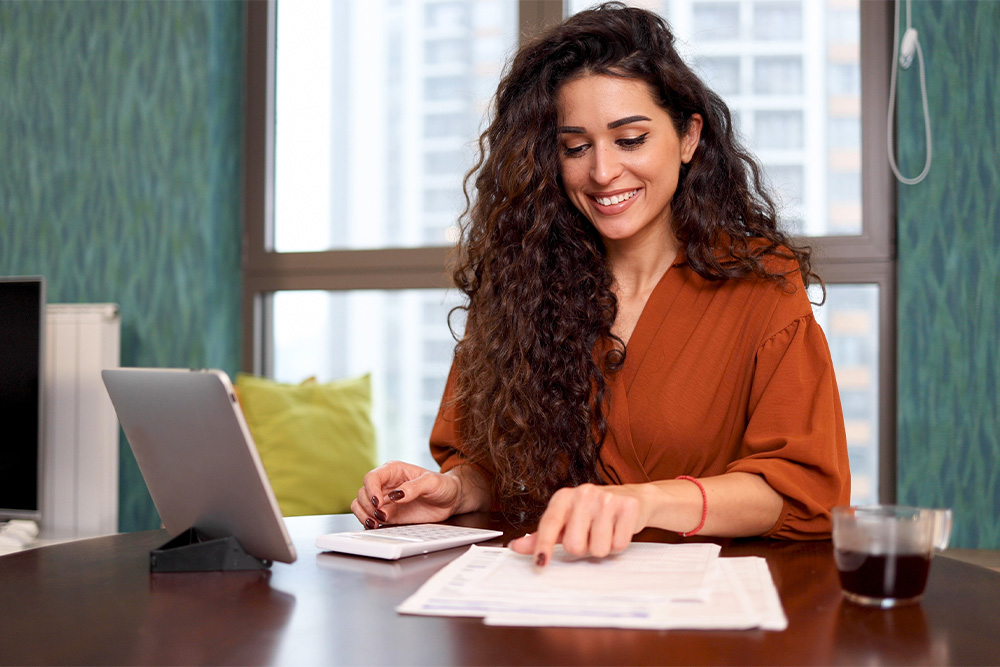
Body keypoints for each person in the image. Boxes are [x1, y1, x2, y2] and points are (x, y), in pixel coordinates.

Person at [353, 2, 850, 566]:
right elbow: (495, 468)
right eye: (576, 146)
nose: (603, 172)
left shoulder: (762, 285)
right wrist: (454, 491)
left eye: (631, 139)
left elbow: (796, 489)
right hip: (544, 596)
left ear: (688, 138)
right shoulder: (521, 286)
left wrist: (643, 503)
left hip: (698, 612)